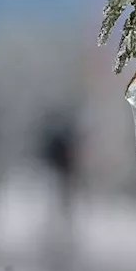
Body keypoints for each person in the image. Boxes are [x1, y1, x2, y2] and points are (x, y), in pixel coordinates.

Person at [38, 107, 81, 259]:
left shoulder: (55, 138)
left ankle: (60, 230)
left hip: (60, 174)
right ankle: (61, 230)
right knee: (62, 203)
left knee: (60, 203)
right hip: (62, 174)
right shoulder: (62, 137)